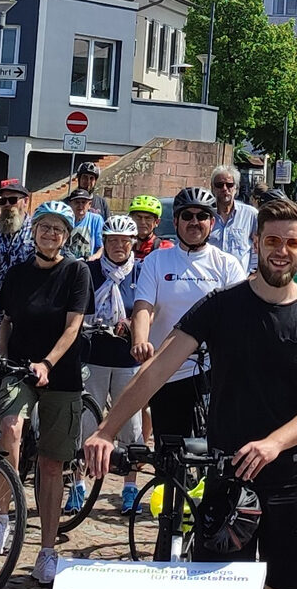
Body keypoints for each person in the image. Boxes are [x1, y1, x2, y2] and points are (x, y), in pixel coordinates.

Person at [85, 198, 297, 589]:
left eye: (292, 243)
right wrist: (105, 429)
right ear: (255, 243)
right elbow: (159, 368)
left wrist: (274, 442)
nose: (282, 251)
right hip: (228, 479)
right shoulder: (222, 305)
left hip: (293, 477)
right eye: (272, 241)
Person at [0, 200, 93, 582]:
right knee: (9, 430)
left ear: (66, 236)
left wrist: (47, 363)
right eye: (45, 228)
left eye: (58, 230)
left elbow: (73, 326)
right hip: (19, 368)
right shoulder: (17, 274)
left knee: (51, 463)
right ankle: (2, 518)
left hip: (60, 375)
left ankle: (47, 549)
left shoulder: (76, 272)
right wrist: (0, 358)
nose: (51, 235)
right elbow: (7, 321)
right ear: (35, 231)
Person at [131, 187, 246, 440]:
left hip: (214, 367)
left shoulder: (226, 263)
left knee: (220, 447)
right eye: (187, 216)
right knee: (169, 451)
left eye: (201, 216)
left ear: (212, 222)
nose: (194, 222)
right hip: (169, 368)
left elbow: (242, 313)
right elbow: (143, 307)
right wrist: (140, 342)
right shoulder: (156, 261)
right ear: (176, 221)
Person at [84, 214, 145, 514]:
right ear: (104, 243)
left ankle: (130, 486)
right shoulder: (90, 271)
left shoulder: (141, 272)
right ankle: (79, 484)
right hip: (93, 355)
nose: (119, 246)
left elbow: (150, 308)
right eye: (112, 241)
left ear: (133, 242)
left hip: (126, 358)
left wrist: (133, 324)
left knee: (131, 426)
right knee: (86, 423)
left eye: (124, 241)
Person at [209, 164, 258, 272]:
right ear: (212, 188)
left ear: (236, 187)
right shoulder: (204, 216)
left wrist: (254, 273)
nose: (224, 189)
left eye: (229, 185)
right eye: (219, 185)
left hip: (240, 283)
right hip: (210, 282)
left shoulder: (251, 214)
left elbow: (259, 248)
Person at [127, 194, 172, 262]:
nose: (142, 222)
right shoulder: (123, 245)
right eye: (138, 217)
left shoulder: (165, 249)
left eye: (148, 218)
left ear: (157, 222)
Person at [65, 189, 104, 262]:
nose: (80, 206)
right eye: (77, 202)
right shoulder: (65, 220)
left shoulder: (96, 220)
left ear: (89, 205)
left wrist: (93, 258)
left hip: (88, 263)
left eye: (83, 202)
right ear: (70, 204)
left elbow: (102, 247)